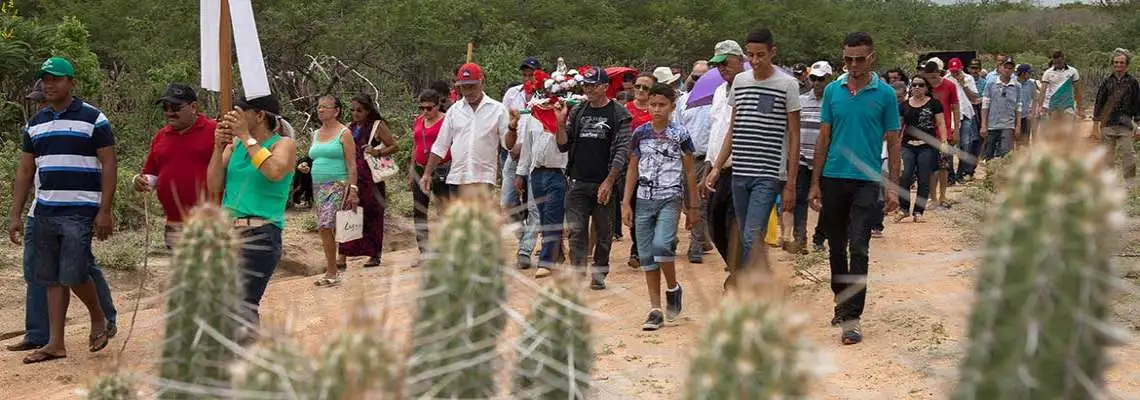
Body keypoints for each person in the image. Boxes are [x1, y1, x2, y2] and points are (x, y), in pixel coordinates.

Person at [7, 58, 117, 363]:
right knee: (51, 278)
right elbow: (26, 170)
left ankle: (99, 318)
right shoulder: (36, 123)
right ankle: (55, 343)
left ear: (71, 82)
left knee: (74, 272)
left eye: (56, 79)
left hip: (80, 209)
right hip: (44, 210)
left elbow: (109, 163)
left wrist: (104, 210)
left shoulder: (94, 118)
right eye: (45, 80)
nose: (49, 85)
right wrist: (15, 214)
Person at [808, 32, 901, 345]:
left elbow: (893, 142)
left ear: (871, 57)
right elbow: (823, 138)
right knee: (836, 247)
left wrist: (892, 187)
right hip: (834, 177)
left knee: (859, 246)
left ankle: (852, 316)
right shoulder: (833, 90)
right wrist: (815, 183)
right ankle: (841, 298)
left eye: (860, 59)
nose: (854, 65)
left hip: (866, 180)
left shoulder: (885, 94)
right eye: (848, 59)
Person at [704, 27, 801, 268]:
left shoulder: (788, 84)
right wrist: (716, 167)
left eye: (761, 55)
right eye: (751, 55)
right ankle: (759, 280)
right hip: (740, 171)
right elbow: (732, 129)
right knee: (745, 234)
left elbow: (794, 135)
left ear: (772, 52)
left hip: (768, 173)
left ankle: (746, 287)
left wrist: (790, 182)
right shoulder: (740, 81)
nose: (755, 61)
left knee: (751, 235)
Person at [208, 94, 296, 333]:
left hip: (260, 233)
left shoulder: (283, 144)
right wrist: (218, 149)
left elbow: (274, 171)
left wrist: (246, 137)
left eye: (241, 112)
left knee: (241, 304)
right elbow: (214, 185)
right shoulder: (234, 147)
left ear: (259, 115)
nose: (234, 117)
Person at [621, 83, 698, 331]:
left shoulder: (681, 134)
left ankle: (673, 287)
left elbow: (689, 172)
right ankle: (655, 309)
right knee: (646, 255)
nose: (657, 110)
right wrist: (626, 202)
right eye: (653, 105)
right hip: (643, 199)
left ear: (672, 106)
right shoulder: (640, 134)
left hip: (670, 197)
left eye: (662, 105)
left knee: (662, 245)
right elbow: (632, 167)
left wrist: (692, 206)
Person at [558, 66, 631, 289]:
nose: (588, 89)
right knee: (576, 229)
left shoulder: (619, 114)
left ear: (604, 87)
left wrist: (609, 181)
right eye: (586, 85)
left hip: (604, 182)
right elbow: (563, 145)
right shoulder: (579, 111)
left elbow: (622, 150)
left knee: (603, 232)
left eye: (592, 85)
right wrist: (559, 124)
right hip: (577, 180)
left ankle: (599, 272)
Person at [134, 83, 217, 250]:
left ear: (193, 107)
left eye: (175, 107)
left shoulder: (215, 131)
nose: (169, 112)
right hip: (174, 227)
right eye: (165, 107)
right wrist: (139, 180)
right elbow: (151, 174)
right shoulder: (160, 137)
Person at [420, 63, 517, 196]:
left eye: (473, 86)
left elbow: (508, 145)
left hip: (483, 180)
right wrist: (427, 174)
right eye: (465, 87)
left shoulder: (498, 110)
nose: (469, 91)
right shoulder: (454, 111)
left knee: (479, 217)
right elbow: (440, 146)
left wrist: (512, 128)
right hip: (457, 178)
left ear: (482, 82)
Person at [700, 39, 746, 270]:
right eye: (718, 65)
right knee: (714, 225)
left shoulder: (749, 88)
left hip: (741, 168)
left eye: (726, 63)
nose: (722, 68)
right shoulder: (719, 92)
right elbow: (716, 131)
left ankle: (740, 276)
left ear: (740, 60)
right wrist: (708, 168)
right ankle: (738, 270)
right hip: (718, 168)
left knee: (735, 225)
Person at [514, 93, 569, 279]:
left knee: (553, 216)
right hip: (536, 172)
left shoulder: (564, 115)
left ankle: (546, 261)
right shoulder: (533, 117)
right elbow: (527, 148)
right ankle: (557, 252)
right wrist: (521, 173)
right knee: (543, 216)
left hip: (557, 172)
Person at [340, 94, 398, 268]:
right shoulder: (349, 127)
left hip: (372, 178)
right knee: (348, 212)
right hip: (353, 176)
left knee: (372, 215)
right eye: (352, 110)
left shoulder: (377, 126)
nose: (355, 113)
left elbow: (394, 146)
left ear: (368, 111)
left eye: (359, 110)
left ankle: (374, 254)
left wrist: (377, 152)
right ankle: (342, 255)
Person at [308, 96, 359, 286]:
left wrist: (353, 189)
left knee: (325, 224)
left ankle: (332, 271)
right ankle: (334, 267)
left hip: (337, 184)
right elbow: (313, 157)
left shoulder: (344, 133)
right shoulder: (316, 134)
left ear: (336, 110)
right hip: (317, 186)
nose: (320, 110)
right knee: (325, 228)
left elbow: (351, 164)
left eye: (325, 107)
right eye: (318, 107)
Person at [501, 58, 541, 269]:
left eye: (531, 75)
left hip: (536, 157)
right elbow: (506, 122)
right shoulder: (512, 94)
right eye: (525, 74)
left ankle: (525, 250)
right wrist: (510, 143)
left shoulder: (545, 97)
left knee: (534, 205)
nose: (527, 78)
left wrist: (523, 145)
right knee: (507, 203)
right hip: (513, 154)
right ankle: (524, 238)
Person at [673, 62, 714, 263]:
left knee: (700, 202)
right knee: (686, 203)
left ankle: (696, 245)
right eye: (695, 77)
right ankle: (704, 239)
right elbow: (676, 127)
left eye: (703, 78)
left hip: (705, 159)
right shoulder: (683, 101)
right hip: (683, 157)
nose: (698, 81)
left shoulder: (718, 101)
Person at [410, 90, 457, 263]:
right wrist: (411, 171)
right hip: (420, 168)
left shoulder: (447, 121)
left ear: (438, 105)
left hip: (442, 169)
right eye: (421, 108)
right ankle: (424, 251)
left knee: (444, 210)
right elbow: (415, 146)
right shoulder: (419, 121)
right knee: (419, 210)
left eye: (429, 108)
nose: (425, 112)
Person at [791, 61, 832, 254]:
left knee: (826, 199)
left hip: (825, 159)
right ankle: (800, 238)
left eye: (821, 79)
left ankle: (820, 237)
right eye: (813, 78)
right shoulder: (801, 101)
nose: (816, 82)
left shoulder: (832, 103)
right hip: (802, 157)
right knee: (800, 198)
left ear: (829, 79)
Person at [896, 76, 947, 223]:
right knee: (905, 175)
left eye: (921, 85)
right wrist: (895, 145)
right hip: (908, 145)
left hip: (927, 146)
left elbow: (940, 123)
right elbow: (899, 127)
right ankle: (904, 209)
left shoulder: (934, 104)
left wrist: (943, 142)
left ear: (926, 88)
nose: (917, 88)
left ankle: (919, 211)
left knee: (924, 177)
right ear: (910, 88)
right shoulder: (904, 105)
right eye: (914, 85)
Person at [622, 72, 658, 269]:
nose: (641, 90)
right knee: (635, 209)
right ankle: (637, 248)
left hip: (655, 168)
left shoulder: (657, 110)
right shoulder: (625, 110)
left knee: (653, 209)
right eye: (638, 86)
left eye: (646, 87)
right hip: (631, 167)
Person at [1093, 49, 1140, 177]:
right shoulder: (1106, 82)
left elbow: (1137, 104)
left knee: (1128, 154)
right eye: (1116, 62)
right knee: (1107, 157)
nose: (1119, 65)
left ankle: (1129, 182)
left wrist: (1138, 126)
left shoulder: (1132, 82)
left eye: (1121, 63)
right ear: (1113, 64)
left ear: (1126, 64)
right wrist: (1095, 126)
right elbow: (1099, 103)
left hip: (1125, 125)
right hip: (1108, 124)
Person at [919, 59, 958, 210]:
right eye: (929, 78)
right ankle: (933, 197)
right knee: (930, 167)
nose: (932, 81)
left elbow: (955, 108)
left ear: (939, 73)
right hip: (927, 131)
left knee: (943, 166)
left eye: (934, 77)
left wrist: (956, 130)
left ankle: (943, 195)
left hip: (945, 131)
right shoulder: (923, 86)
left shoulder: (950, 86)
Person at [980, 57, 1023, 161]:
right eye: (1006, 67)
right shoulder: (991, 84)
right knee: (989, 154)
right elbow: (985, 105)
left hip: (1008, 124)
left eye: (1010, 68)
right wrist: (983, 125)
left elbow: (1018, 107)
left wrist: (1018, 126)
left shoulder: (1017, 86)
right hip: (992, 124)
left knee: (1005, 154)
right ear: (1000, 68)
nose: (1008, 70)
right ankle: (990, 175)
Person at [946, 58, 980, 184]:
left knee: (965, 144)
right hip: (951, 114)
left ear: (961, 69)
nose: (955, 74)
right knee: (950, 145)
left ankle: (961, 173)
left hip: (965, 113)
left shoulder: (969, 78)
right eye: (953, 71)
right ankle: (950, 175)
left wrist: (963, 84)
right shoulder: (946, 79)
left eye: (957, 71)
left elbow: (974, 98)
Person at [1038, 51, 1083, 126]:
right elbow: (1043, 91)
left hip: (1068, 104)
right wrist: (1040, 107)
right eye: (1055, 63)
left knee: (1067, 130)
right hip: (1053, 105)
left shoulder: (1073, 71)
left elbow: (1078, 90)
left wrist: (1080, 107)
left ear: (1063, 60)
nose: (1057, 65)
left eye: (1059, 62)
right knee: (1054, 130)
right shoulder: (1047, 73)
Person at [1015, 64, 1039, 149]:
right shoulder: (1013, 83)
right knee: (1015, 140)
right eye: (1028, 73)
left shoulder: (1031, 84)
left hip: (1025, 116)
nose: (1030, 75)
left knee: (1025, 140)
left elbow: (1035, 99)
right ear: (1023, 73)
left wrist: (1032, 113)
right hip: (1013, 116)